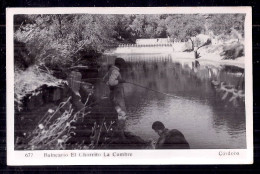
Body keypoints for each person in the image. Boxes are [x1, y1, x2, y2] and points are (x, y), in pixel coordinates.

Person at [103, 58, 127, 137]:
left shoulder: (111, 70)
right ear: (120, 65)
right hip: (117, 95)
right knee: (122, 113)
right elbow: (111, 82)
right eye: (123, 66)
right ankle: (121, 133)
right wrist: (120, 81)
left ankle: (116, 130)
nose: (123, 67)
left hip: (113, 94)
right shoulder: (116, 71)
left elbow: (104, 80)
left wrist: (110, 84)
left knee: (117, 111)